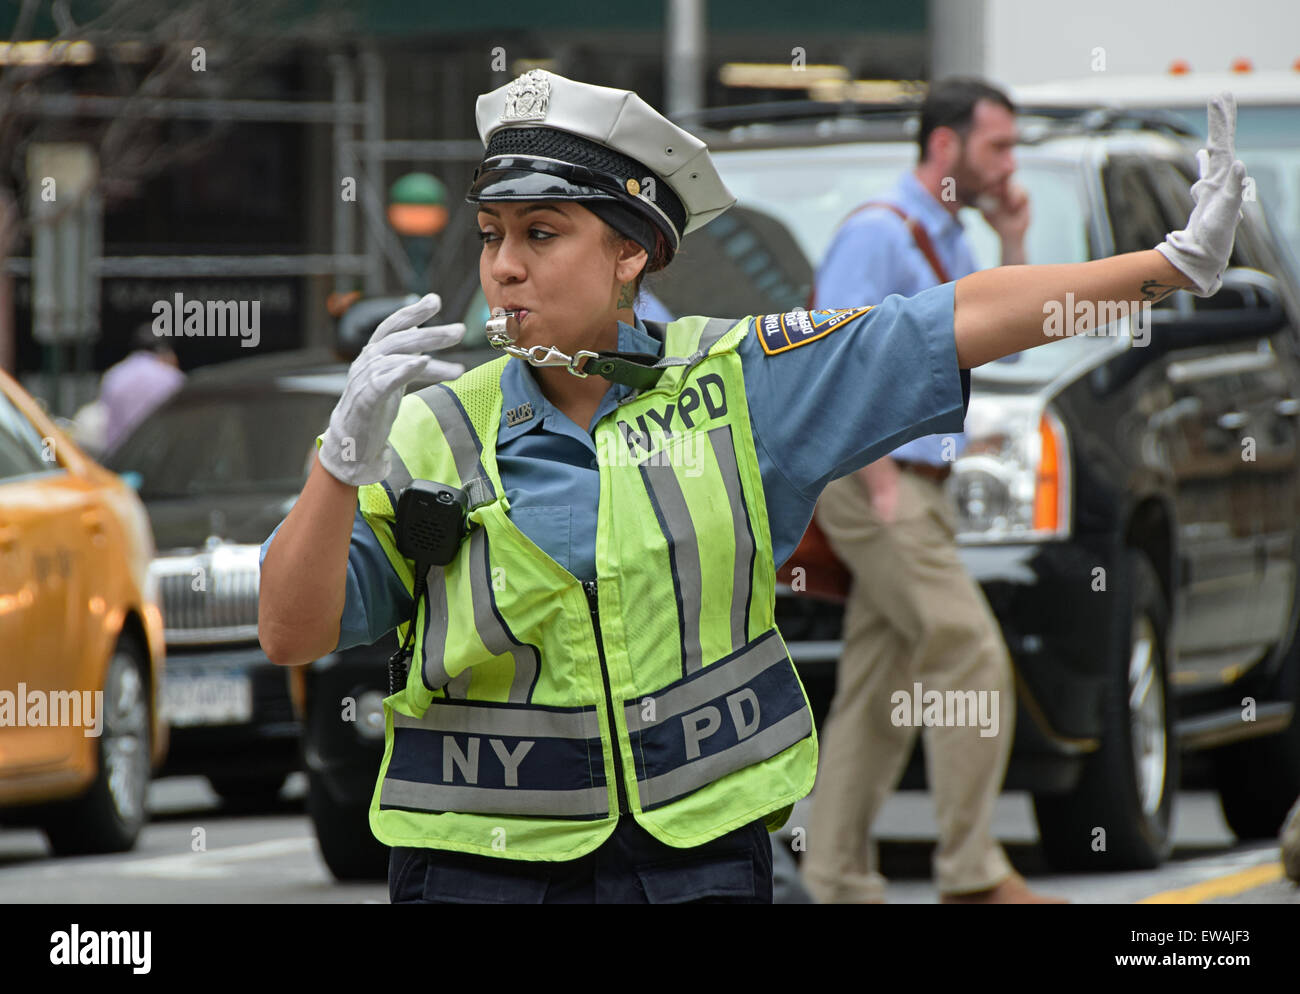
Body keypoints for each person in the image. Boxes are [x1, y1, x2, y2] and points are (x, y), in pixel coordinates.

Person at [257, 68, 1248, 904]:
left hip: (698, 867)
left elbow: (943, 319)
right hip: (477, 872)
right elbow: (290, 632)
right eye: (490, 234)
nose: (504, 269)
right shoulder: (427, 425)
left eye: (542, 234)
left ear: (630, 253)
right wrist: (337, 465)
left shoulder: (738, 384)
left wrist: (1160, 266)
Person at [801, 77, 1061, 904]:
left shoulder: (946, 235)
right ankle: (972, 872)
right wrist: (877, 483)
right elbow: (831, 355)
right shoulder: (881, 232)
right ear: (944, 147)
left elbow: (1007, 349)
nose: (1009, 163)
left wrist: (1014, 237)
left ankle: (836, 878)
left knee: (881, 685)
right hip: (881, 483)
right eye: (998, 146)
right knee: (971, 654)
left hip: (916, 483)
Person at [98, 323, 185, 453]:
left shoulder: (114, 375)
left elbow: (104, 414)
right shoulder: (170, 377)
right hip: (157, 457)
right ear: (164, 350)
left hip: (118, 458)